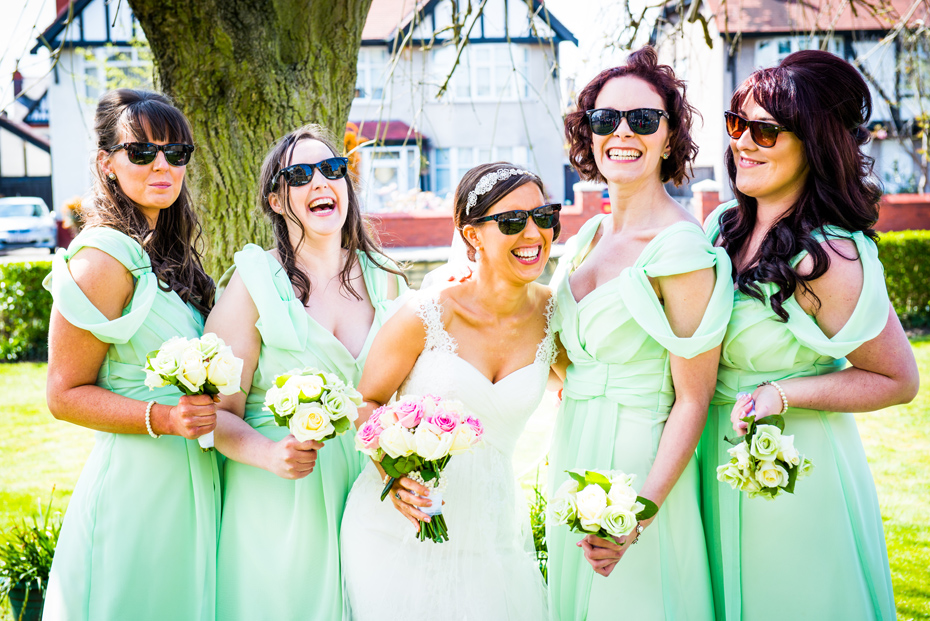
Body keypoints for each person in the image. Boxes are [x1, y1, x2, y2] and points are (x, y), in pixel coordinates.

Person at [700, 50, 918, 621]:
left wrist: (784, 394)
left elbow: (898, 379)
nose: (743, 142)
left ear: (813, 143)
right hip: (711, 458)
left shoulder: (829, 257)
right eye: (736, 123)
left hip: (793, 470)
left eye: (766, 131)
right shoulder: (720, 228)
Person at [546, 46, 733, 621]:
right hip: (573, 450)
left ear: (670, 137)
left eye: (643, 119)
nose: (622, 132)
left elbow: (693, 399)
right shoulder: (588, 238)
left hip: (639, 466)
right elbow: (561, 363)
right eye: (606, 119)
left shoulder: (681, 250)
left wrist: (640, 512)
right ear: (588, 133)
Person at [341, 162, 564, 620]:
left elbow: (593, 382)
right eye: (511, 221)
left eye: (543, 215)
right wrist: (392, 472)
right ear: (472, 236)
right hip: (398, 533)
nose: (533, 233)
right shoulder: (425, 316)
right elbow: (367, 402)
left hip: (492, 537)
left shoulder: (555, 318)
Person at [205, 124, 406, 620]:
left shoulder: (386, 277)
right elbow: (213, 414)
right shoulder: (254, 281)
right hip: (281, 494)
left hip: (367, 491)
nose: (321, 182)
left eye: (333, 169)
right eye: (299, 175)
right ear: (276, 201)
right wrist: (271, 454)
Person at [42, 89, 219, 620]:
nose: (162, 165)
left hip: (193, 481)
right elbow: (63, 394)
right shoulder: (102, 257)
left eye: (177, 152)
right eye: (142, 153)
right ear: (108, 163)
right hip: (139, 489)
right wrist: (165, 417)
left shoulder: (163, 253)